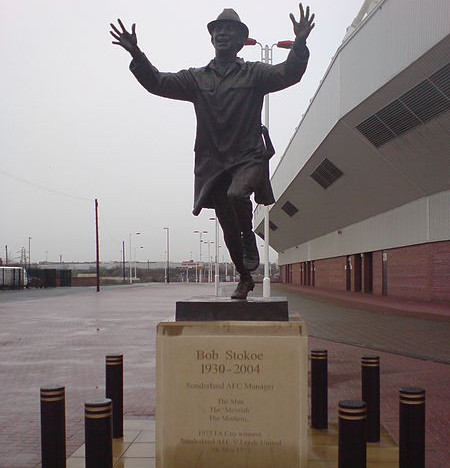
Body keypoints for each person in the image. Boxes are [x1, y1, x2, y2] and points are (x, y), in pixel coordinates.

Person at [110, 4, 315, 299]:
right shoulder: (197, 78)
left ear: (240, 39)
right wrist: (136, 55)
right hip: (214, 164)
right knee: (227, 226)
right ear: (212, 38)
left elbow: (288, 73)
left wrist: (299, 43)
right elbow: (157, 82)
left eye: (228, 31)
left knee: (237, 196)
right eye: (217, 30)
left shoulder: (253, 74)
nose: (221, 34)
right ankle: (245, 278)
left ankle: (249, 238)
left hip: (248, 157)